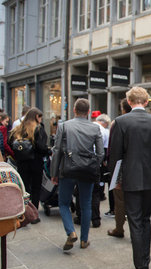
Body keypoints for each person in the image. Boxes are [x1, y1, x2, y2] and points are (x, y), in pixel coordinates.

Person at [109, 87, 151, 269]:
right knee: (145, 220)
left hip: (130, 178)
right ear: (146, 102)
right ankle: (144, 264)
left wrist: (114, 180)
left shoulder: (121, 122)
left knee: (134, 221)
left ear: (130, 102)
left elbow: (114, 155)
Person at [51, 99, 103, 250]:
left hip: (68, 169)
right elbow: (100, 153)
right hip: (87, 170)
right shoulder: (95, 128)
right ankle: (84, 240)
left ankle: (71, 231)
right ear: (88, 112)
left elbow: (57, 150)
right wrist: (93, 165)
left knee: (64, 203)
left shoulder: (64, 126)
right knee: (86, 204)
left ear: (74, 110)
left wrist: (54, 172)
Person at [9, 107, 49, 215]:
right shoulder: (38, 129)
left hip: (22, 162)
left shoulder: (19, 128)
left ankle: (23, 211)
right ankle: (34, 213)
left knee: (24, 187)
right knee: (36, 188)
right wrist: (48, 151)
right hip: (36, 162)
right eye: (40, 117)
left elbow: (10, 142)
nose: (41, 120)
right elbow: (41, 147)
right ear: (37, 116)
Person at [107, 98, 131, 239]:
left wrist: (112, 172)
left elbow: (112, 149)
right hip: (139, 169)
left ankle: (119, 228)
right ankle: (136, 232)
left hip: (121, 167)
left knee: (120, 200)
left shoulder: (118, 123)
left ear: (123, 109)